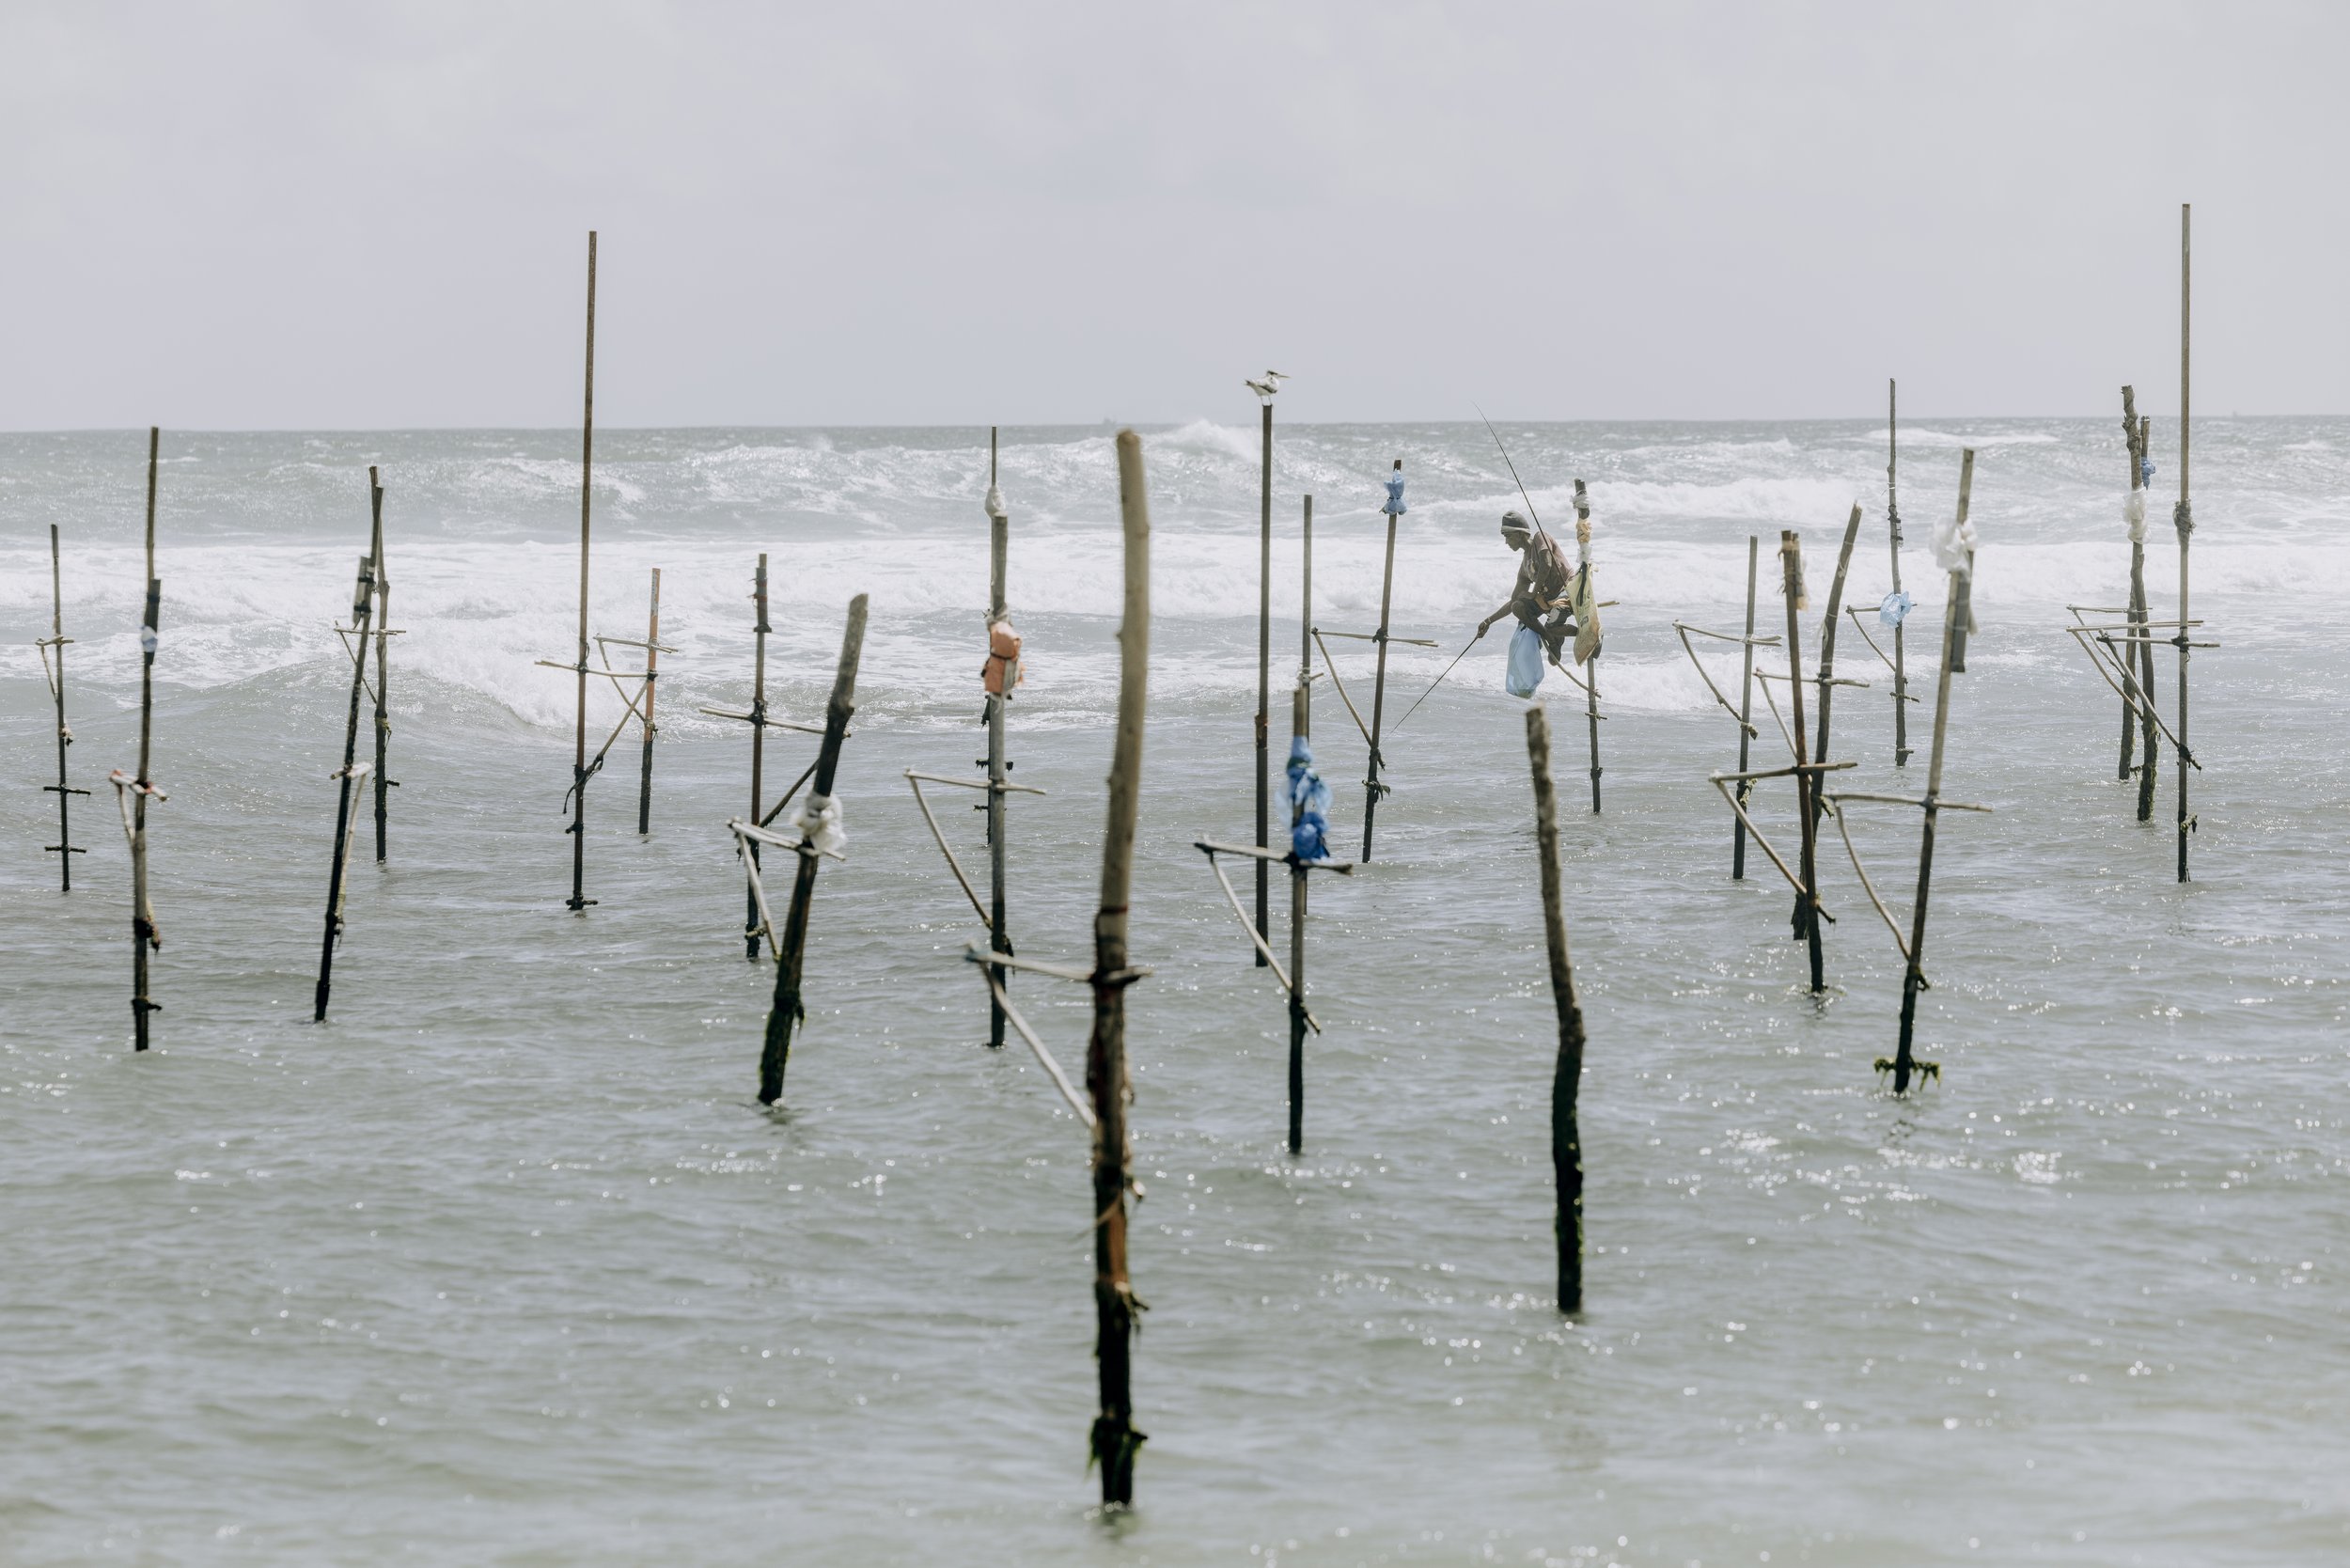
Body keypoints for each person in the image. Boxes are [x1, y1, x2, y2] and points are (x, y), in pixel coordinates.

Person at [1477, 510, 1577, 663]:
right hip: (1549, 603)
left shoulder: (1540, 538)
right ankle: (1551, 638)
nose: (1506, 542)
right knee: (1518, 606)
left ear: (1520, 534)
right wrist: (1488, 621)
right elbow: (1512, 602)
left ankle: (1566, 633)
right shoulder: (1525, 566)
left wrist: (1533, 593)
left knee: (1549, 623)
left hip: (1568, 590)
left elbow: (1547, 564)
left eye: (1508, 536)